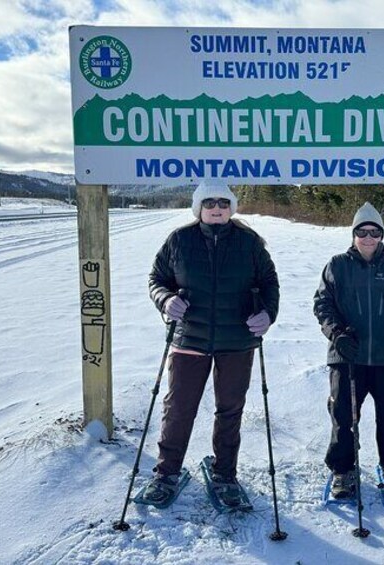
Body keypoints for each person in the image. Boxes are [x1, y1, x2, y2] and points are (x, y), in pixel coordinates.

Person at [144, 181, 279, 507]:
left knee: (230, 411)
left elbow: (269, 282)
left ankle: (224, 474)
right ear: (199, 208)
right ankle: (166, 473)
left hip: (237, 340)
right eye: (209, 202)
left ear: (231, 207)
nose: (216, 207)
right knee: (178, 409)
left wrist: (267, 314)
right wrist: (165, 300)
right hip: (189, 338)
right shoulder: (179, 240)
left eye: (223, 202)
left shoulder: (250, 243)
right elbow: (157, 280)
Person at [313, 202, 384, 502]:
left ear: (381, 235)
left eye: (374, 232)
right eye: (362, 232)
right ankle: (342, 470)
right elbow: (323, 305)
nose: (368, 237)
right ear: (353, 234)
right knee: (343, 415)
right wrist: (336, 335)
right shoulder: (337, 265)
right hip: (347, 357)